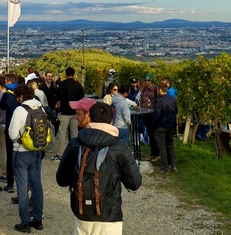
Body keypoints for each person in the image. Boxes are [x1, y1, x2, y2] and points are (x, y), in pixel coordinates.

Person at [56, 101, 142, 235]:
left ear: (90, 117)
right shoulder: (119, 147)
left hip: (82, 212)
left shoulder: (75, 144)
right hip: (110, 216)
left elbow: (61, 180)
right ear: (111, 120)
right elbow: (134, 183)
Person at [8, 84, 46, 233]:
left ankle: (25, 222)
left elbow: (12, 134)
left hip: (21, 152)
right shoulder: (39, 107)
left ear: (21, 97)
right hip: (36, 151)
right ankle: (38, 219)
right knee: (37, 185)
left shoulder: (20, 109)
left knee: (22, 188)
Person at [53, 67, 84, 161]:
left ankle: (60, 154)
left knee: (62, 133)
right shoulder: (78, 85)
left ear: (66, 74)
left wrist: (58, 108)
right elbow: (82, 98)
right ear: (73, 74)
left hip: (64, 111)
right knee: (74, 132)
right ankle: (75, 151)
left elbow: (58, 99)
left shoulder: (62, 84)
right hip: (75, 112)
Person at [0, 73, 20, 192]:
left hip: (10, 126)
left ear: (8, 81)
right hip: (23, 128)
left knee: (10, 155)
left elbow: (2, 106)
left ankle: (10, 183)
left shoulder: (7, 94)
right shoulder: (22, 92)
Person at [153, 82, 178, 173]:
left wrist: (154, 126)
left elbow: (157, 115)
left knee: (162, 147)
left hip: (161, 126)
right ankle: (174, 165)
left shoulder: (159, 101)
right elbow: (176, 111)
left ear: (160, 90)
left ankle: (165, 166)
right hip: (171, 125)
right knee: (170, 145)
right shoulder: (172, 99)